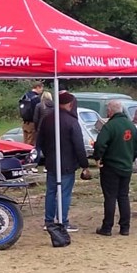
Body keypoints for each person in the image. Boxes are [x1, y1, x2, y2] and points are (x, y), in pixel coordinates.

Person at [37, 91, 90, 232]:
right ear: (70, 104)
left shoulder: (47, 119)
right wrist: (84, 165)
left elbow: (40, 141)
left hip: (51, 162)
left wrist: (47, 155)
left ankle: (48, 221)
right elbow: (79, 145)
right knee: (64, 193)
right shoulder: (72, 121)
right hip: (67, 164)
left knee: (51, 192)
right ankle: (63, 221)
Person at [91, 99, 137, 236]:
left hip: (111, 166)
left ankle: (107, 227)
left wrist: (97, 157)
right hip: (126, 166)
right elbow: (136, 147)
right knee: (123, 196)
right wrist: (130, 159)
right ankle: (125, 227)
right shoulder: (131, 126)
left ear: (110, 111)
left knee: (110, 197)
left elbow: (100, 144)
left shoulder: (109, 126)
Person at [18, 81, 44, 146]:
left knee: (25, 143)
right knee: (31, 145)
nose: (42, 90)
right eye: (41, 88)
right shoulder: (36, 98)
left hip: (25, 123)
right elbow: (38, 112)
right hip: (32, 124)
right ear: (37, 87)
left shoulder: (25, 95)